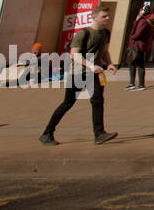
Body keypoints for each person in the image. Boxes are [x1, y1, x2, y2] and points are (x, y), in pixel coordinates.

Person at [40, 9, 118, 146]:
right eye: (104, 16)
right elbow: (74, 54)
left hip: (94, 72)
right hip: (78, 72)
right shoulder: (83, 33)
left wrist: (109, 63)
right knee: (68, 102)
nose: (107, 18)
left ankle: (99, 134)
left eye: (108, 16)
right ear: (94, 17)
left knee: (97, 100)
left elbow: (105, 51)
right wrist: (91, 66)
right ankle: (47, 133)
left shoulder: (106, 33)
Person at [125, 7, 154, 91]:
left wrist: (131, 37)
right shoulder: (146, 20)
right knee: (137, 63)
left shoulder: (143, 21)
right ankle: (135, 83)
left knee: (136, 63)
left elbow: (138, 33)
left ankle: (138, 84)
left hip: (137, 44)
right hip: (140, 45)